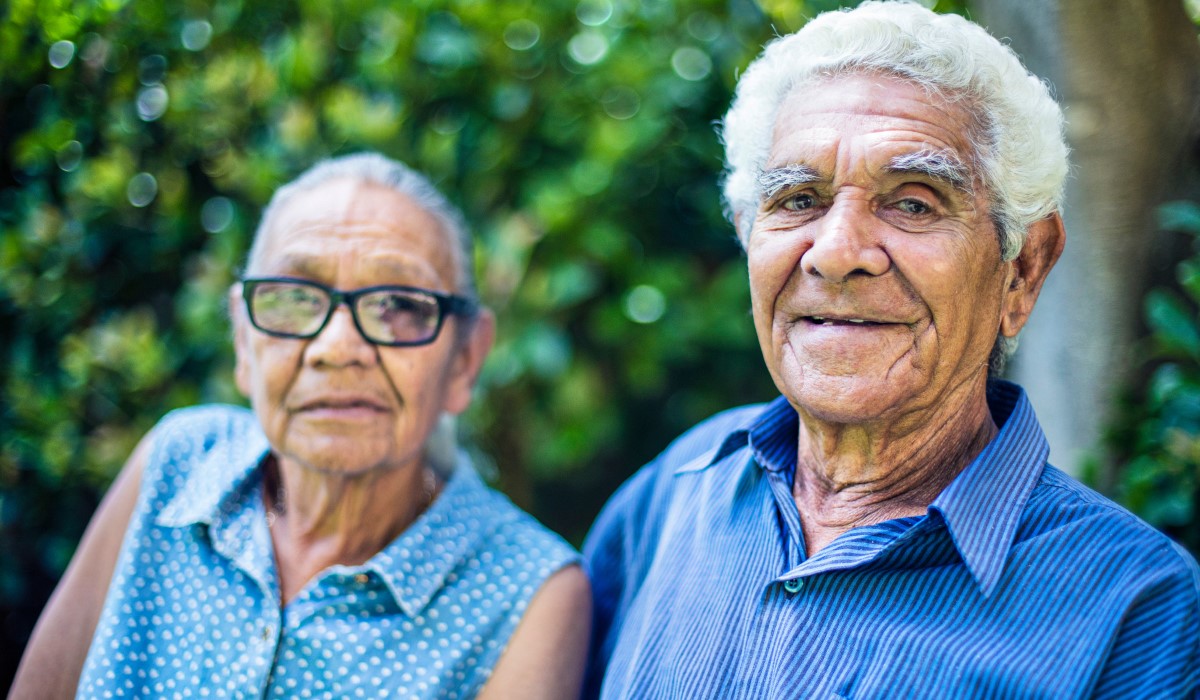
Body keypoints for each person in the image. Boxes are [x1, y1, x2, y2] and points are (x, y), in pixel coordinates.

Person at [583, 2, 1199, 698]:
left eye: (913, 202)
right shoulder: (675, 493)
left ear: (1022, 270)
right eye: (798, 199)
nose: (838, 253)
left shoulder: (1138, 609)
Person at [12, 153, 590, 699]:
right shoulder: (177, 463)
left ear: (465, 359)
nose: (338, 349)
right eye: (294, 297)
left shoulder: (530, 590)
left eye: (398, 305)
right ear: (244, 341)